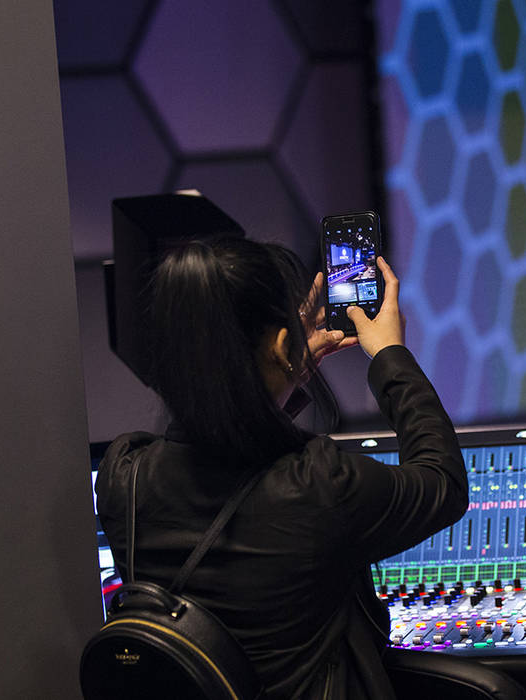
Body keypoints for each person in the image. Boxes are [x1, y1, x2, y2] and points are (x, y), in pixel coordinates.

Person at [95, 237, 468, 699]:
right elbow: (442, 481)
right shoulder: (318, 485)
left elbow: (222, 446)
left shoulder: (123, 477)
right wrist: (390, 355)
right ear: (278, 344)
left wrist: (285, 367)